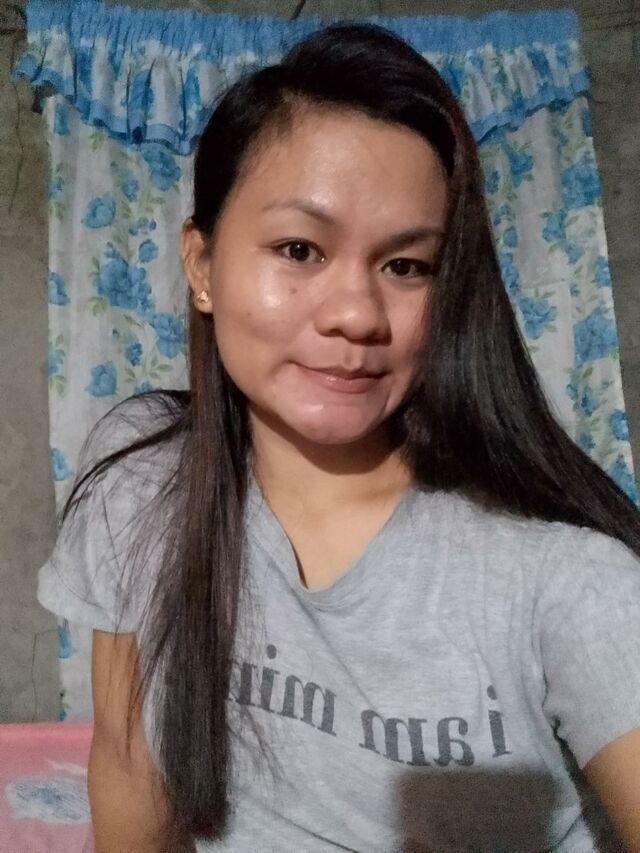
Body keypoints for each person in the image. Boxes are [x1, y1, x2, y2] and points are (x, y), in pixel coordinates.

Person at [37, 21, 640, 853]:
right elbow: (128, 759)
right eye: (300, 249)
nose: (357, 313)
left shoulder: (565, 577)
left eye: (407, 266)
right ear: (202, 266)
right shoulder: (142, 479)